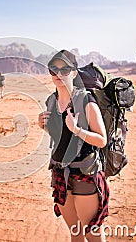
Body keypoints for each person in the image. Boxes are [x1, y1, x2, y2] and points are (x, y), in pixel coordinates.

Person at [38, 50, 109, 242]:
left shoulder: (86, 101)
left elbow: (102, 140)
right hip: (60, 173)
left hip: (84, 173)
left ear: (74, 72)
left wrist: (78, 130)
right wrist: (43, 126)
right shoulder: (51, 101)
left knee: (92, 233)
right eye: (53, 70)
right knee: (75, 232)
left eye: (65, 69)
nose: (58, 74)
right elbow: (60, 137)